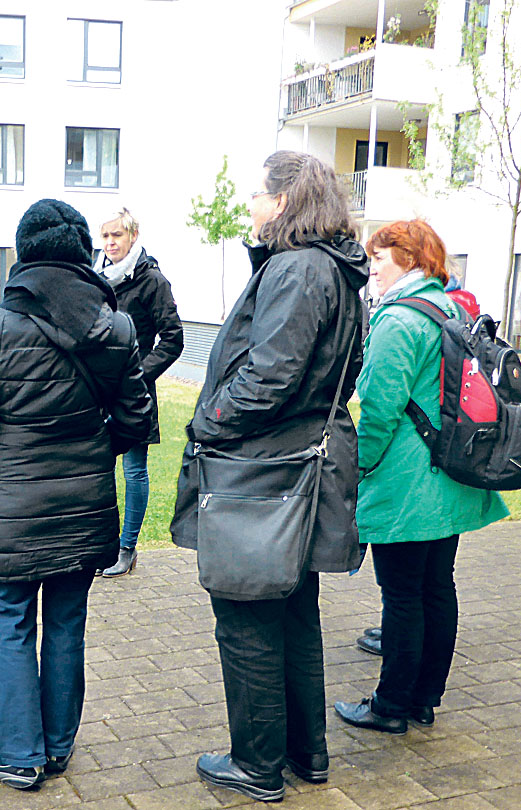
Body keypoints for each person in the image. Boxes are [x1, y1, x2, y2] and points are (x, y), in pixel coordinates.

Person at [171, 151, 367, 802]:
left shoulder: (297, 267)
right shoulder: (333, 269)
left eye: (257, 194)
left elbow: (269, 376)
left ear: (282, 201)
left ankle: (256, 765)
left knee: (248, 617)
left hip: (264, 472)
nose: (250, 205)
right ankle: (305, 754)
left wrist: (209, 422)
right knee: (292, 614)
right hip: (293, 465)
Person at [0, 199, 152, 790]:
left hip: (11, 507)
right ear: (82, 250)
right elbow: (137, 419)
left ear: (26, 251)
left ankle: (19, 754)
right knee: (66, 623)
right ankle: (57, 748)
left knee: (12, 625)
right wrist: (93, 453)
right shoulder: (115, 328)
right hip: (85, 506)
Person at [334, 219, 508, 735]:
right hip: (451, 473)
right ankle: (425, 699)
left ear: (408, 259)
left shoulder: (398, 320)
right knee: (437, 587)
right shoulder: (451, 308)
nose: (371, 269)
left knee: (403, 595)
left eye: (379, 258)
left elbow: (380, 410)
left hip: (407, 482)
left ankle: (390, 706)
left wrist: (358, 468)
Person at [93, 208, 183, 577]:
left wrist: (137, 375)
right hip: (98, 392)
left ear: (133, 235)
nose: (110, 243)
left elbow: (173, 338)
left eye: (117, 235)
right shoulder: (95, 278)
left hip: (133, 393)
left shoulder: (152, 280)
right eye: (105, 236)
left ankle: (127, 548)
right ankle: (103, 547)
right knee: (98, 470)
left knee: (133, 471)